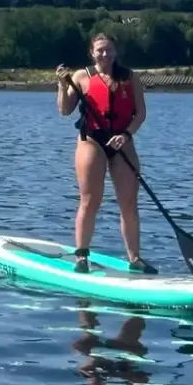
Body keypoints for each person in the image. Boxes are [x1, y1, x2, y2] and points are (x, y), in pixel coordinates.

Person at [54, 33, 155, 275]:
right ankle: (81, 256)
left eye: (109, 50)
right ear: (92, 53)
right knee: (90, 200)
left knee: (129, 202)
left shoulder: (131, 78)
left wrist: (126, 135)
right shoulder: (80, 77)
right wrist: (61, 85)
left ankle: (135, 258)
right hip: (92, 141)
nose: (105, 54)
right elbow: (65, 110)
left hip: (122, 140)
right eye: (100, 50)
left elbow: (140, 113)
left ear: (115, 52)